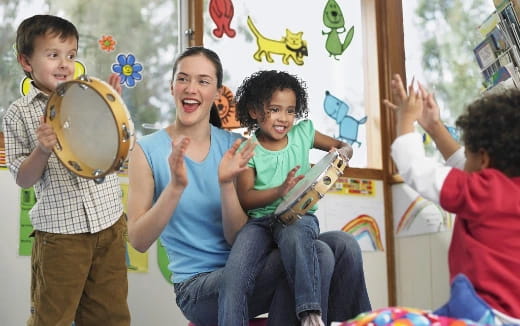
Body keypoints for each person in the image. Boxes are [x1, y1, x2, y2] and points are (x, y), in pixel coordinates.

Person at [126, 46, 371, 326]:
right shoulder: (146, 151)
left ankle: (359, 322)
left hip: (252, 265)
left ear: (217, 93)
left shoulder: (239, 148)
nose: (191, 88)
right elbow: (138, 240)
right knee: (319, 253)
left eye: (203, 81)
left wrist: (228, 183)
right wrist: (175, 187)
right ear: (172, 87)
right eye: (183, 79)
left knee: (344, 245)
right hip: (198, 289)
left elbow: (237, 236)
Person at [2, 15, 130, 326]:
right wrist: (42, 150)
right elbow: (23, 178)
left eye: (71, 55)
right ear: (25, 61)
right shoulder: (19, 112)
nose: (64, 64)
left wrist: (111, 112)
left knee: (110, 316)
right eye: (53, 54)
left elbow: (110, 149)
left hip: (108, 224)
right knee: (52, 318)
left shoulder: (88, 94)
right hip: (61, 237)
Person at [218, 70, 353, 326]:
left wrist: (342, 154)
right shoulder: (249, 149)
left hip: (297, 217)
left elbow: (343, 146)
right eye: (275, 109)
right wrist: (280, 190)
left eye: (290, 110)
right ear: (255, 112)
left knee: (296, 236)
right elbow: (246, 199)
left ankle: (309, 312)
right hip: (258, 223)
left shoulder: (304, 134)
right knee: (234, 276)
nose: (284, 118)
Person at [384, 74, 520, 324]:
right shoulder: (502, 191)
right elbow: (465, 168)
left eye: (468, 153)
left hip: (485, 316)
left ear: (484, 159)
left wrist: (405, 121)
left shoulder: (485, 191)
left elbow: (417, 169)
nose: (463, 161)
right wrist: (434, 127)